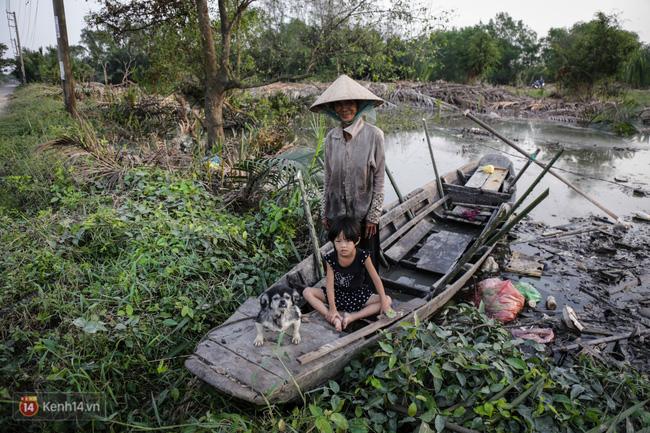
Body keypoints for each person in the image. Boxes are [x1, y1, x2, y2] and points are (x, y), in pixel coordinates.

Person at [309, 74, 385, 268]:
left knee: (367, 266)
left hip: (363, 217)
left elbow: (379, 180)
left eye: (349, 103)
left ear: (358, 105)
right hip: (337, 216)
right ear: (333, 109)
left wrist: (373, 216)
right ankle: (342, 297)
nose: (345, 108)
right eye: (339, 104)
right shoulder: (331, 138)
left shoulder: (374, 135)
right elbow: (328, 178)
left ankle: (371, 296)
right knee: (342, 265)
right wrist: (324, 211)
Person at [303, 217, 392, 332]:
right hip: (337, 294)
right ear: (333, 242)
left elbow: (376, 279)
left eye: (348, 241)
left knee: (387, 300)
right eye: (338, 241)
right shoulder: (330, 258)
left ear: (356, 241)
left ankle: (351, 317)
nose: (343, 246)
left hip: (357, 295)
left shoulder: (363, 256)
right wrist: (332, 308)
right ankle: (334, 318)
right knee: (307, 292)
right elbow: (329, 285)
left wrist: (384, 304)